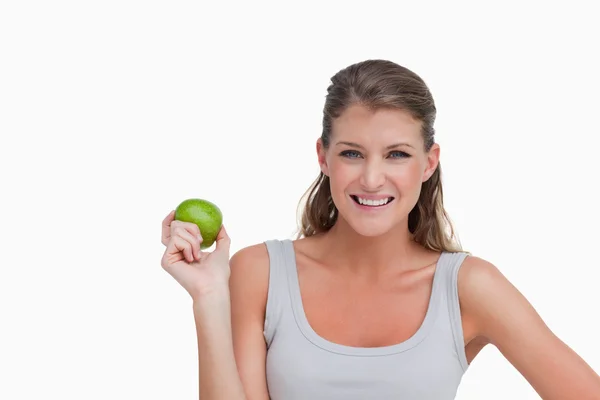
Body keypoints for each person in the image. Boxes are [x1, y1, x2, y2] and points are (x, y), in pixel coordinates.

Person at [160, 59, 600, 399]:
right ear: (323, 156)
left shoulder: (467, 286)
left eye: (397, 155)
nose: (371, 179)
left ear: (429, 163)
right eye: (352, 153)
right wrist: (209, 296)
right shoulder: (260, 272)